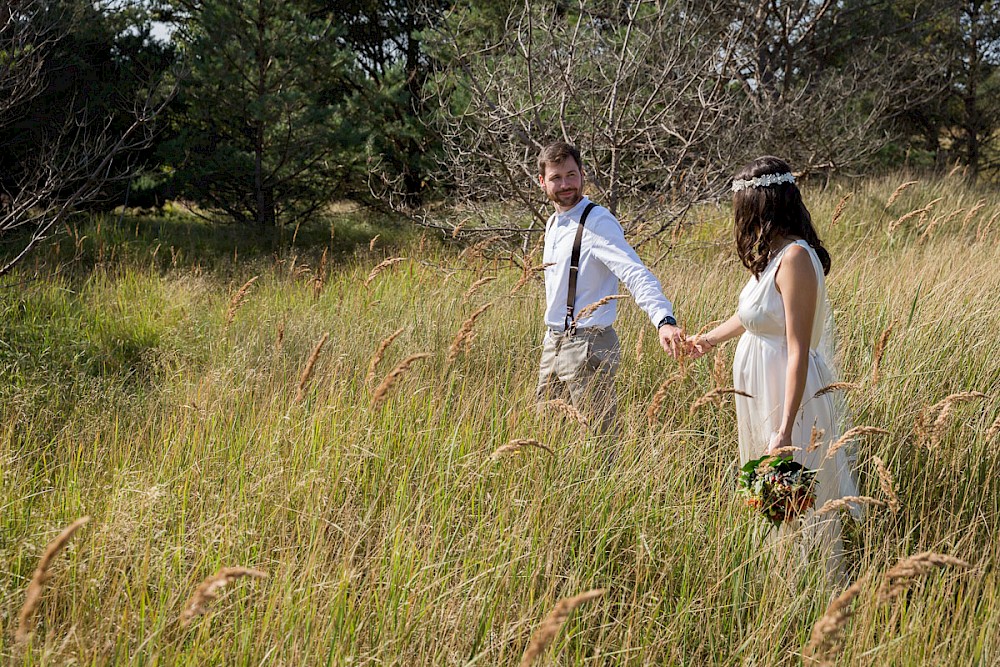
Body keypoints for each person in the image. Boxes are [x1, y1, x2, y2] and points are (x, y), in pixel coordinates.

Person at [687, 155, 859, 580]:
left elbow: (799, 348)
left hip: (787, 390)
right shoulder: (773, 255)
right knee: (771, 495)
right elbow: (753, 317)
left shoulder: (796, 258)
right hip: (760, 387)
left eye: (742, 202)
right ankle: (782, 581)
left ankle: (817, 586)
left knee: (797, 490)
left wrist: (783, 428)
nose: (739, 213)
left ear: (763, 203)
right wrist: (706, 341)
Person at [535, 141, 684, 441]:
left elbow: (633, 272)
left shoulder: (598, 221)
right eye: (556, 178)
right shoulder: (553, 222)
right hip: (553, 343)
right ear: (542, 182)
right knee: (547, 436)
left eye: (571, 175)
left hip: (588, 346)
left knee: (601, 443)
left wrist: (664, 320)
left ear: (582, 174)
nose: (565, 185)